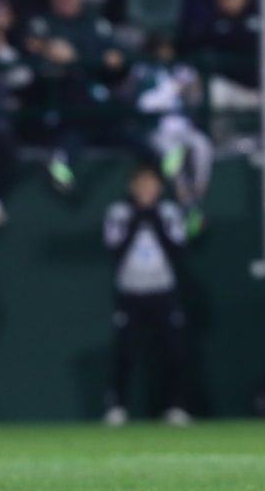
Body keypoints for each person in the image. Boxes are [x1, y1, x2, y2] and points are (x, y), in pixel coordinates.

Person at [102, 162, 191, 427]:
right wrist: (136, 220)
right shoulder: (119, 212)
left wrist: (155, 220)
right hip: (131, 292)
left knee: (173, 350)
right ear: (131, 186)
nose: (145, 189)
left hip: (162, 292)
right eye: (140, 183)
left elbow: (177, 248)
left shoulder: (169, 212)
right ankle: (117, 406)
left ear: (159, 187)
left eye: (150, 183)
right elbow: (114, 249)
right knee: (125, 352)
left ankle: (176, 406)